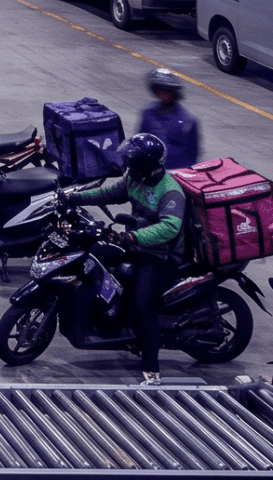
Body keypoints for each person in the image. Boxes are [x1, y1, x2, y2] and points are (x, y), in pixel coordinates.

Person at [69, 134, 187, 383]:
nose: (127, 167)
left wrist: (133, 238)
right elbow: (110, 193)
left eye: (132, 163)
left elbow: (169, 228)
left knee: (144, 305)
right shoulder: (135, 180)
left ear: (145, 165)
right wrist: (76, 197)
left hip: (161, 254)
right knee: (95, 257)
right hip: (136, 244)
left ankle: (151, 366)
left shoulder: (170, 192)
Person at [138, 68, 201, 169]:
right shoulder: (148, 113)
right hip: (151, 171)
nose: (162, 94)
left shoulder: (188, 120)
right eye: (159, 90)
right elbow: (139, 142)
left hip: (176, 174)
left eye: (166, 91)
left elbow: (193, 154)